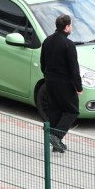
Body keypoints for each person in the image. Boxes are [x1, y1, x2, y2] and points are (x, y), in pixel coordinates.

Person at [39, 14, 82, 153]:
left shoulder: (47, 41)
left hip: (50, 81)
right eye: (71, 25)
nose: (72, 27)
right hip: (64, 83)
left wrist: (48, 76)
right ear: (67, 27)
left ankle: (56, 146)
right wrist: (78, 87)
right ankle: (55, 136)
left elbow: (42, 63)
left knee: (55, 111)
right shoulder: (68, 45)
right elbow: (74, 68)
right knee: (72, 110)